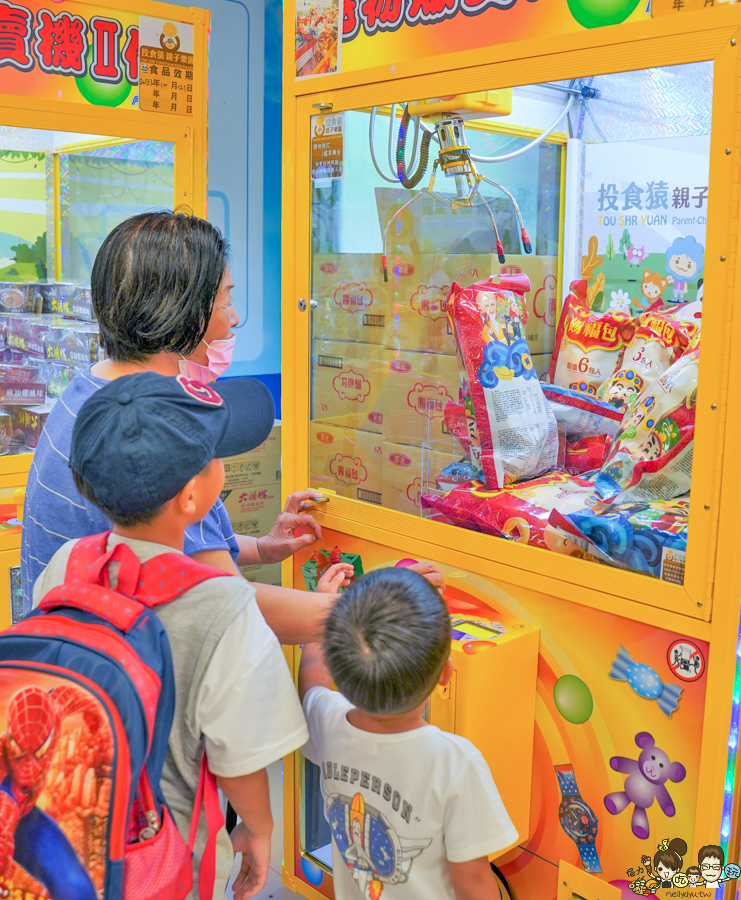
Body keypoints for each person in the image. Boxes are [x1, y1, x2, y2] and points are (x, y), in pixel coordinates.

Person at [33, 371, 309, 900]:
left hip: (64, 834)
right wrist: (257, 828)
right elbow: (242, 763)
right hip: (163, 861)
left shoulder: (69, 563)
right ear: (191, 498)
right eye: (214, 457)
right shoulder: (225, 608)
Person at [21, 211, 330, 638]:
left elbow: (156, 539)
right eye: (226, 300)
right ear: (183, 313)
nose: (235, 317)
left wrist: (260, 548)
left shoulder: (91, 391)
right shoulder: (155, 433)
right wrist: (365, 614)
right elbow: (230, 608)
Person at [298, 565, 517, 900]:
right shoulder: (456, 762)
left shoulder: (327, 722)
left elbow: (312, 676)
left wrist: (321, 610)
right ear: (446, 672)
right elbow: (473, 883)